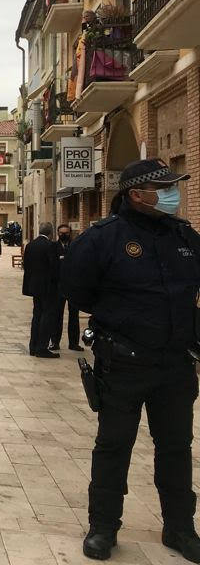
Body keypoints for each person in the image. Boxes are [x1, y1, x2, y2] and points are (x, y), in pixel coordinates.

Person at [63, 159, 200, 562]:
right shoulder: (103, 238)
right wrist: (123, 322)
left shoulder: (185, 238)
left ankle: (180, 528)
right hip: (124, 363)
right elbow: (78, 291)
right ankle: (103, 527)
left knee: (176, 448)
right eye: (165, 187)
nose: (173, 194)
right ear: (137, 194)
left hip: (175, 366)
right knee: (113, 447)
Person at [21, 222, 59, 359]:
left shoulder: (31, 245)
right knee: (47, 316)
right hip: (48, 287)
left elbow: (26, 265)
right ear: (51, 232)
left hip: (34, 286)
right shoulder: (50, 246)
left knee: (37, 315)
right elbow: (54, 267)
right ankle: (42, 347)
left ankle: (33, 346)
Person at [49, 223, 83, 352]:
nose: (64, 235)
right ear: (58, 234)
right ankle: (55, 342)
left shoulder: (75, 246)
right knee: (57, 315)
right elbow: (52, 265)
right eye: (61, 233)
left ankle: (74, 343)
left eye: (66, 233)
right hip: (58, 286)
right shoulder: (53, 247)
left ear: (70, 233)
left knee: (74, 315)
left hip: (73, 286)